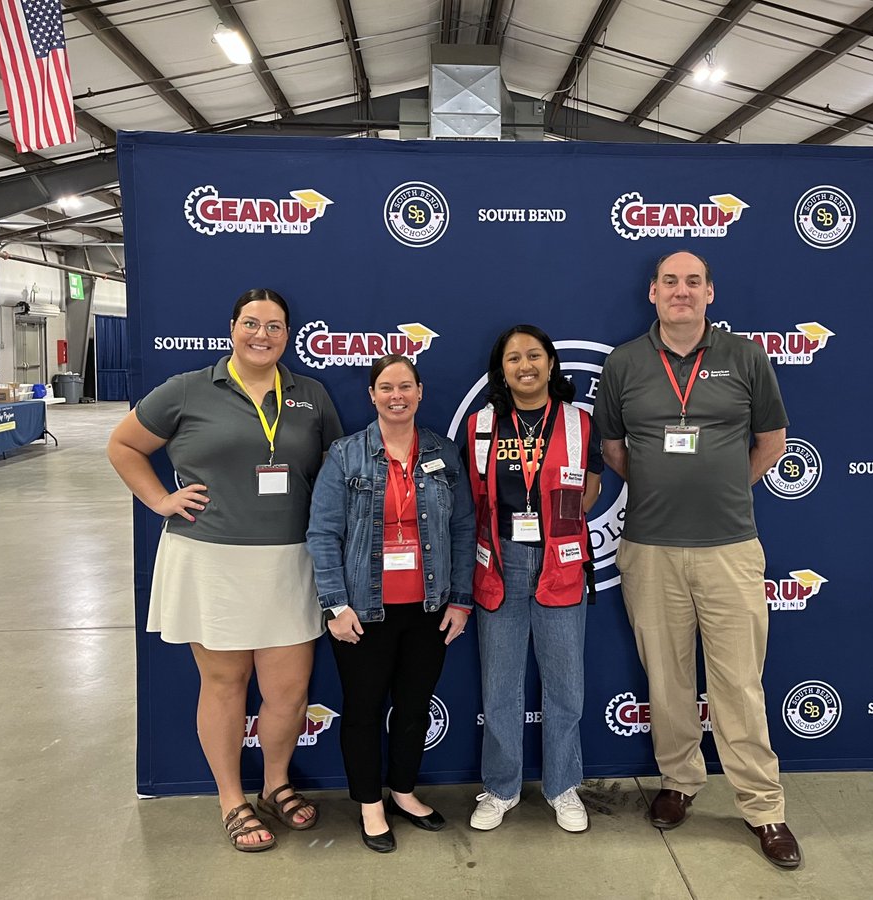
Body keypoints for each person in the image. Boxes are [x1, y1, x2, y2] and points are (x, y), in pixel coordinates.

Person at [107, 287, 343, 852]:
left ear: (289, 335)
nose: (263, 335)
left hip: (291, 558)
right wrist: (161, 500)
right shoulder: (189, 389)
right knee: (225, 683)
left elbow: (335, 471)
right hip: (210, 559)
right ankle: (232, 799)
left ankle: (276, 784)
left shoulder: (309, 394)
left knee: (288, 690)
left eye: (276, 327)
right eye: (252, 323)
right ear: (232, 326)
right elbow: (122, 445)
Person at [593, 251, 801, 869]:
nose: (680, 292)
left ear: (710, 292)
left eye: (692, 282)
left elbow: (772, 442)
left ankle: (764, 807)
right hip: (649, 547)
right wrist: (666, 487)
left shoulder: (745, 357)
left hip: (731, 547)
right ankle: (680, 782)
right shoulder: (625, 362)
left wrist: (725, 487)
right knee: (668, 677)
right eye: (669, 282)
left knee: (739, 680)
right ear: (652, 293)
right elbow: (612, 447)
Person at [306, 354, 475, 853]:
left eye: (405, 386)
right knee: (361, 711)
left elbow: (464, 529)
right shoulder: (345, 455)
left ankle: (403, 791)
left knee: (414, 709)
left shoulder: (444, 453)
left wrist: (461, 600)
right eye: (386, 387)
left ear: (420, 392)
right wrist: (335, 605)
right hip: (363, 610)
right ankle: (370, 804)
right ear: (372, 396)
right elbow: (322, 533)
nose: (396, 395)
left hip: (428, 608)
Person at [464, 325, 602, 834]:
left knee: (565, 688)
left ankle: (564, 786)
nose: (525, 365)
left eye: (535, 355)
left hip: (559, 564)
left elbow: (589, 487)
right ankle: (500, 789)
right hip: (498, 565)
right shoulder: (482, 425)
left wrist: (554, 525)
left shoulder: (578, 422)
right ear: (501, 369)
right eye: (514, 358)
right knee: (500, 689)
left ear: (550, 363)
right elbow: (475, 502)